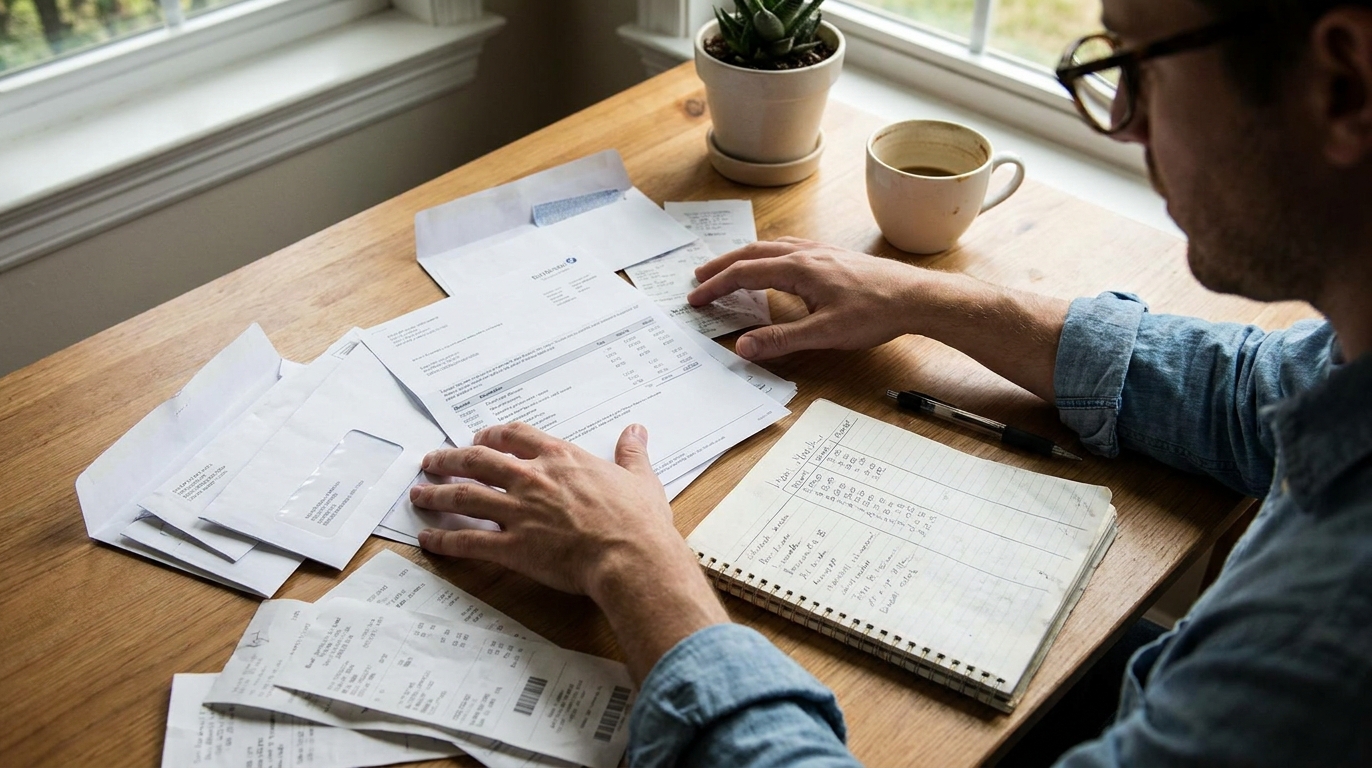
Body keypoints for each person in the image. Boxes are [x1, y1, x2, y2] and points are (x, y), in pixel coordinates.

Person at [408, 0, 1372, 763]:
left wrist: (634, 569)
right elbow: (1259, 389)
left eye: (1138, 66)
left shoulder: (1323, 636)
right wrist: (926, 299)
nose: (1125, 125)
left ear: (1343, 83)